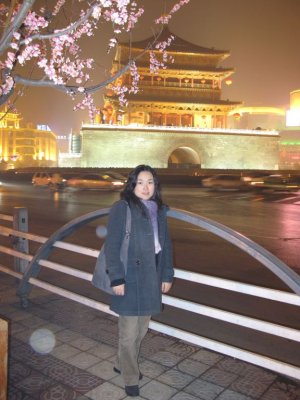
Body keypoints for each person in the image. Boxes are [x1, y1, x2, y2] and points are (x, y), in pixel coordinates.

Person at [104, 164, 174, 397]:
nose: (146, 187)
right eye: (141, 182)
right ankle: (130, 376)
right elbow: (111, 247)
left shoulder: (158, 209)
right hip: (129, 278)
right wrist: (116, 278)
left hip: (151, 278)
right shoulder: (122, 208)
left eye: (150, 182)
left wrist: (166, 275)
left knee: (142, 328)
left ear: (156, 185)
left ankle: (120, 362)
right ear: (132, 185)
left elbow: (166, 247)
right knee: (128, 332)